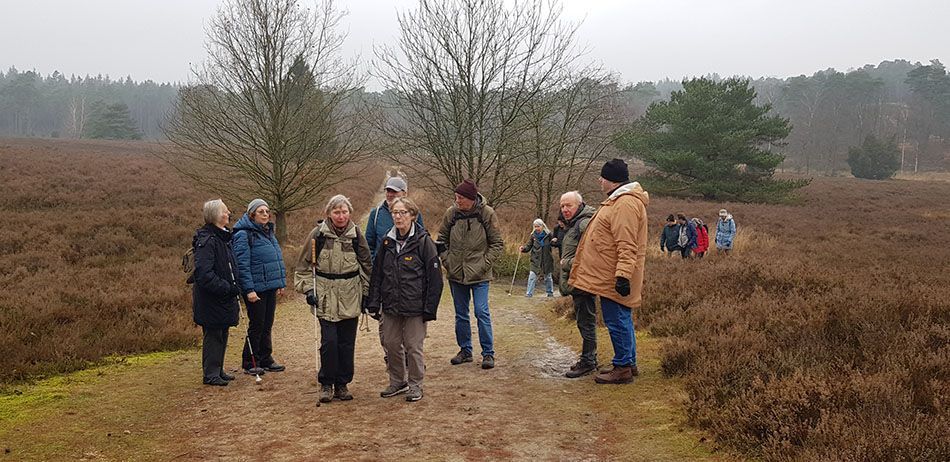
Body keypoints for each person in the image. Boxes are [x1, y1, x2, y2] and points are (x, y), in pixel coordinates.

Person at [569, 159, 649, 384]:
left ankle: (622, 367)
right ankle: (628, 362)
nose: (599, 181)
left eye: (602, 177)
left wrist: (622, 275)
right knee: (622, 318)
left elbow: (626, 243)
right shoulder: (619, 201)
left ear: (611, 180)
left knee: (616, 320)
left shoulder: (624, 204)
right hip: (611, 272)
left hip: (613, 274)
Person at [294, 195, 372, 404]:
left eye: (344, 211)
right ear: (328, 214)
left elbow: (367, 268)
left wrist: (366, 294)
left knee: (347, 343)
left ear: (350, 213)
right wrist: (309, 290)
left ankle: (342, 384)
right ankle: (326, 384)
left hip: (350, 295)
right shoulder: (317, 235)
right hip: (325, 297)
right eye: (336, 212)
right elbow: (302, 268)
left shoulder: (356, 236)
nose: (341, 216)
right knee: (329, 342)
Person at [366, 198, 443, 402]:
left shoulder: (423, 242)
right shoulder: (386, 241)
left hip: (415, 305)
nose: (398, 216)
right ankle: (398, 381)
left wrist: (430, 308)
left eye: (403, 212)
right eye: (394, 212)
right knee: (391, 344)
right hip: (391, 304)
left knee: (413, 346)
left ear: (413, 216)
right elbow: (377, 274)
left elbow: (435, 279)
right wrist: (373, 302)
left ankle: (416, 384)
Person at [437, 179, 504, 370]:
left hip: (480, 274)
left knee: (481, 312)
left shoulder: (487, 213)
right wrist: (447, 261)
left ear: (471, 198)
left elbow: (497, 244)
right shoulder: (451, 214)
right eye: (456, 197)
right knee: (461, 314)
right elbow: (441, 240)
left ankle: (488, 354)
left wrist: (484, 264)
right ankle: (465, 351)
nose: (457, 201)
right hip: (456, 273)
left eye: (460, 198)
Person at [365, 176, 425, 364]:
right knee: (386, 327)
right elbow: (369, 245)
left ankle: (409, 359)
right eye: (388, 190)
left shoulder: (414, 213)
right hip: (384, 279)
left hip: (408, 279)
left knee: (409, 326)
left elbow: (420, 241)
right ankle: (393, 359)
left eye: (394, 191)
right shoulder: (375, 215)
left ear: (404, 193)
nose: (390, 194)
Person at [233, 199, 287, 376]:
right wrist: (248, 290)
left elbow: (276, 260)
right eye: (261, 211)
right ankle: (250, 361)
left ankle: (265, 358)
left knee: (267, 323)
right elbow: (242, 264)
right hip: (255, 288)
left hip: (269, 286)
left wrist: (280, 283)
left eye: (267, 211)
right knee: (257, 324)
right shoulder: (243, 235)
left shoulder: (268, 232)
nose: (265, 214)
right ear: (252, 214)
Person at [191, 199, 241, 386]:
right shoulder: (208, 240)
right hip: (212, 299)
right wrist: (227, 287)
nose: (228, 214)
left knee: (223, 332)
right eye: (225, 211)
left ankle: (218, 370)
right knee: (213, 334)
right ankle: (211, 374)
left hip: (223, 297)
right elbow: (204, 274)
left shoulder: (223, 237)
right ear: (215, 216)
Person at [556, 191, 598, 378]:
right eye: (562, 206)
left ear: (579, 205)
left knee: (586, 322)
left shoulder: (584, 223)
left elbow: (594, 254)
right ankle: (588, 359)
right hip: (579, 281)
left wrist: (567, 263)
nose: (565, 209)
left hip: (584, 280)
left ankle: (589, 361)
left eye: (568, 205)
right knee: (583, 320)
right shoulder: (576, 223)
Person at [520, 219, 555, 298]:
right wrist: (523, 249)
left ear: (542, 226)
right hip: (535, 259)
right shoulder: (533, 236)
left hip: (547, 259)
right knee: (532, 276)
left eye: (538, 226)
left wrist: (554, 241)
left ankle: (550, 293)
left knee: (548, 277)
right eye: (535, 227)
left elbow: (554, 243)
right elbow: (529, 246)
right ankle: (529, 294)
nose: (536, 228)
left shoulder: (549, 235)